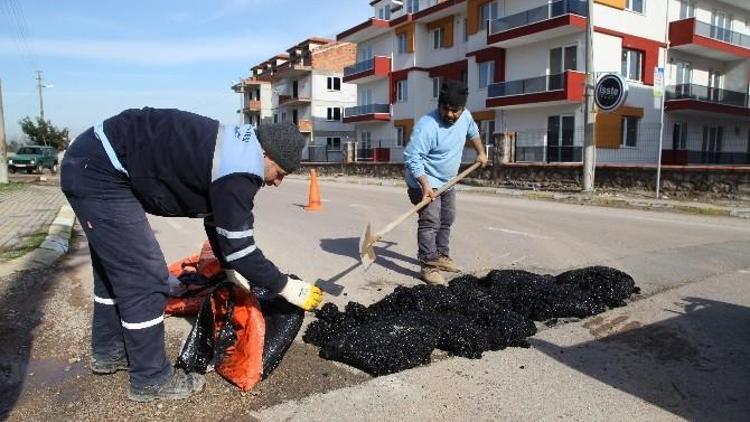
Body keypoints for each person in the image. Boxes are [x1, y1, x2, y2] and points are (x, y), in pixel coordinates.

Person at [60, 107, 323, 402]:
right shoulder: (241, 169)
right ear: (269, 157)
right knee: (144, 277)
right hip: (100, 171)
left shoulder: (237, 150)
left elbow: (216, 222)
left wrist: (228, 269)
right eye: (281, 173)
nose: (277, 182)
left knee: (113, 271)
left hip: (91, 159)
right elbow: (242, 249)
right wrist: (286, 286)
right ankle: (150, 379)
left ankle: (109, 352)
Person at [403, 81, 488, 285]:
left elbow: (473, 131)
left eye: (454, 111)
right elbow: (412, 158)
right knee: (430, 221)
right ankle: (428, 266)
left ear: (462, 109)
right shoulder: (427, 126)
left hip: (448, 181)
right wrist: (425, 186)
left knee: (447, 218)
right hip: (422, 180)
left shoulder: (465, 116)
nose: (450, 114)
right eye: (445, 109)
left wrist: (481, 152)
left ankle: (441, 255)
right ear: (439, 105)